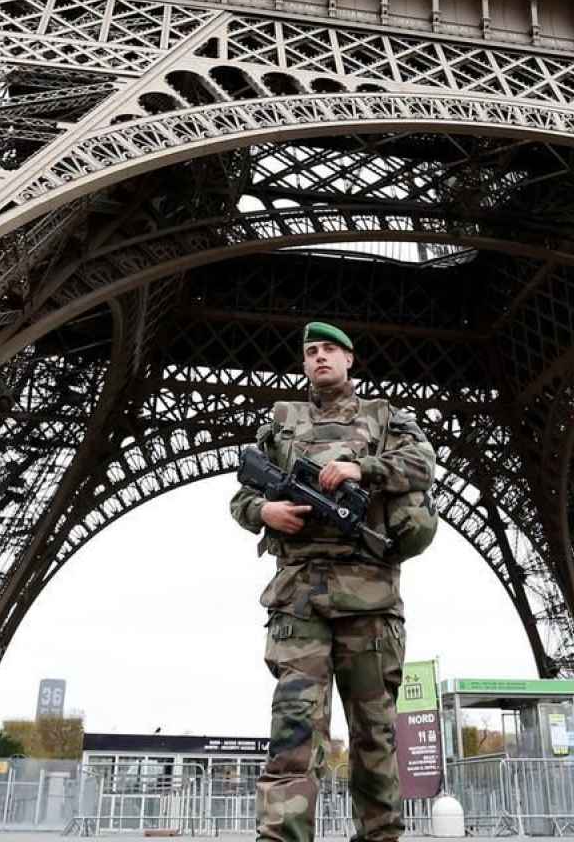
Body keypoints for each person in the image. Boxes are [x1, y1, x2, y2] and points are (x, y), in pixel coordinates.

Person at [230, 322, 438, 842]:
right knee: (293, 734)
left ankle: (380, 836)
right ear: (304, 364)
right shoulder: (282, 424)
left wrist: (359, 469)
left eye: (329, 350)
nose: (319, 357)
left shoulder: (384, 417)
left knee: (376, 737)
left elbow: (423, 463)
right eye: (311, 352)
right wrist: (266, 510)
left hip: (369, 603)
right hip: (299, 603)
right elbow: (239, 498)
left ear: (350, 358)